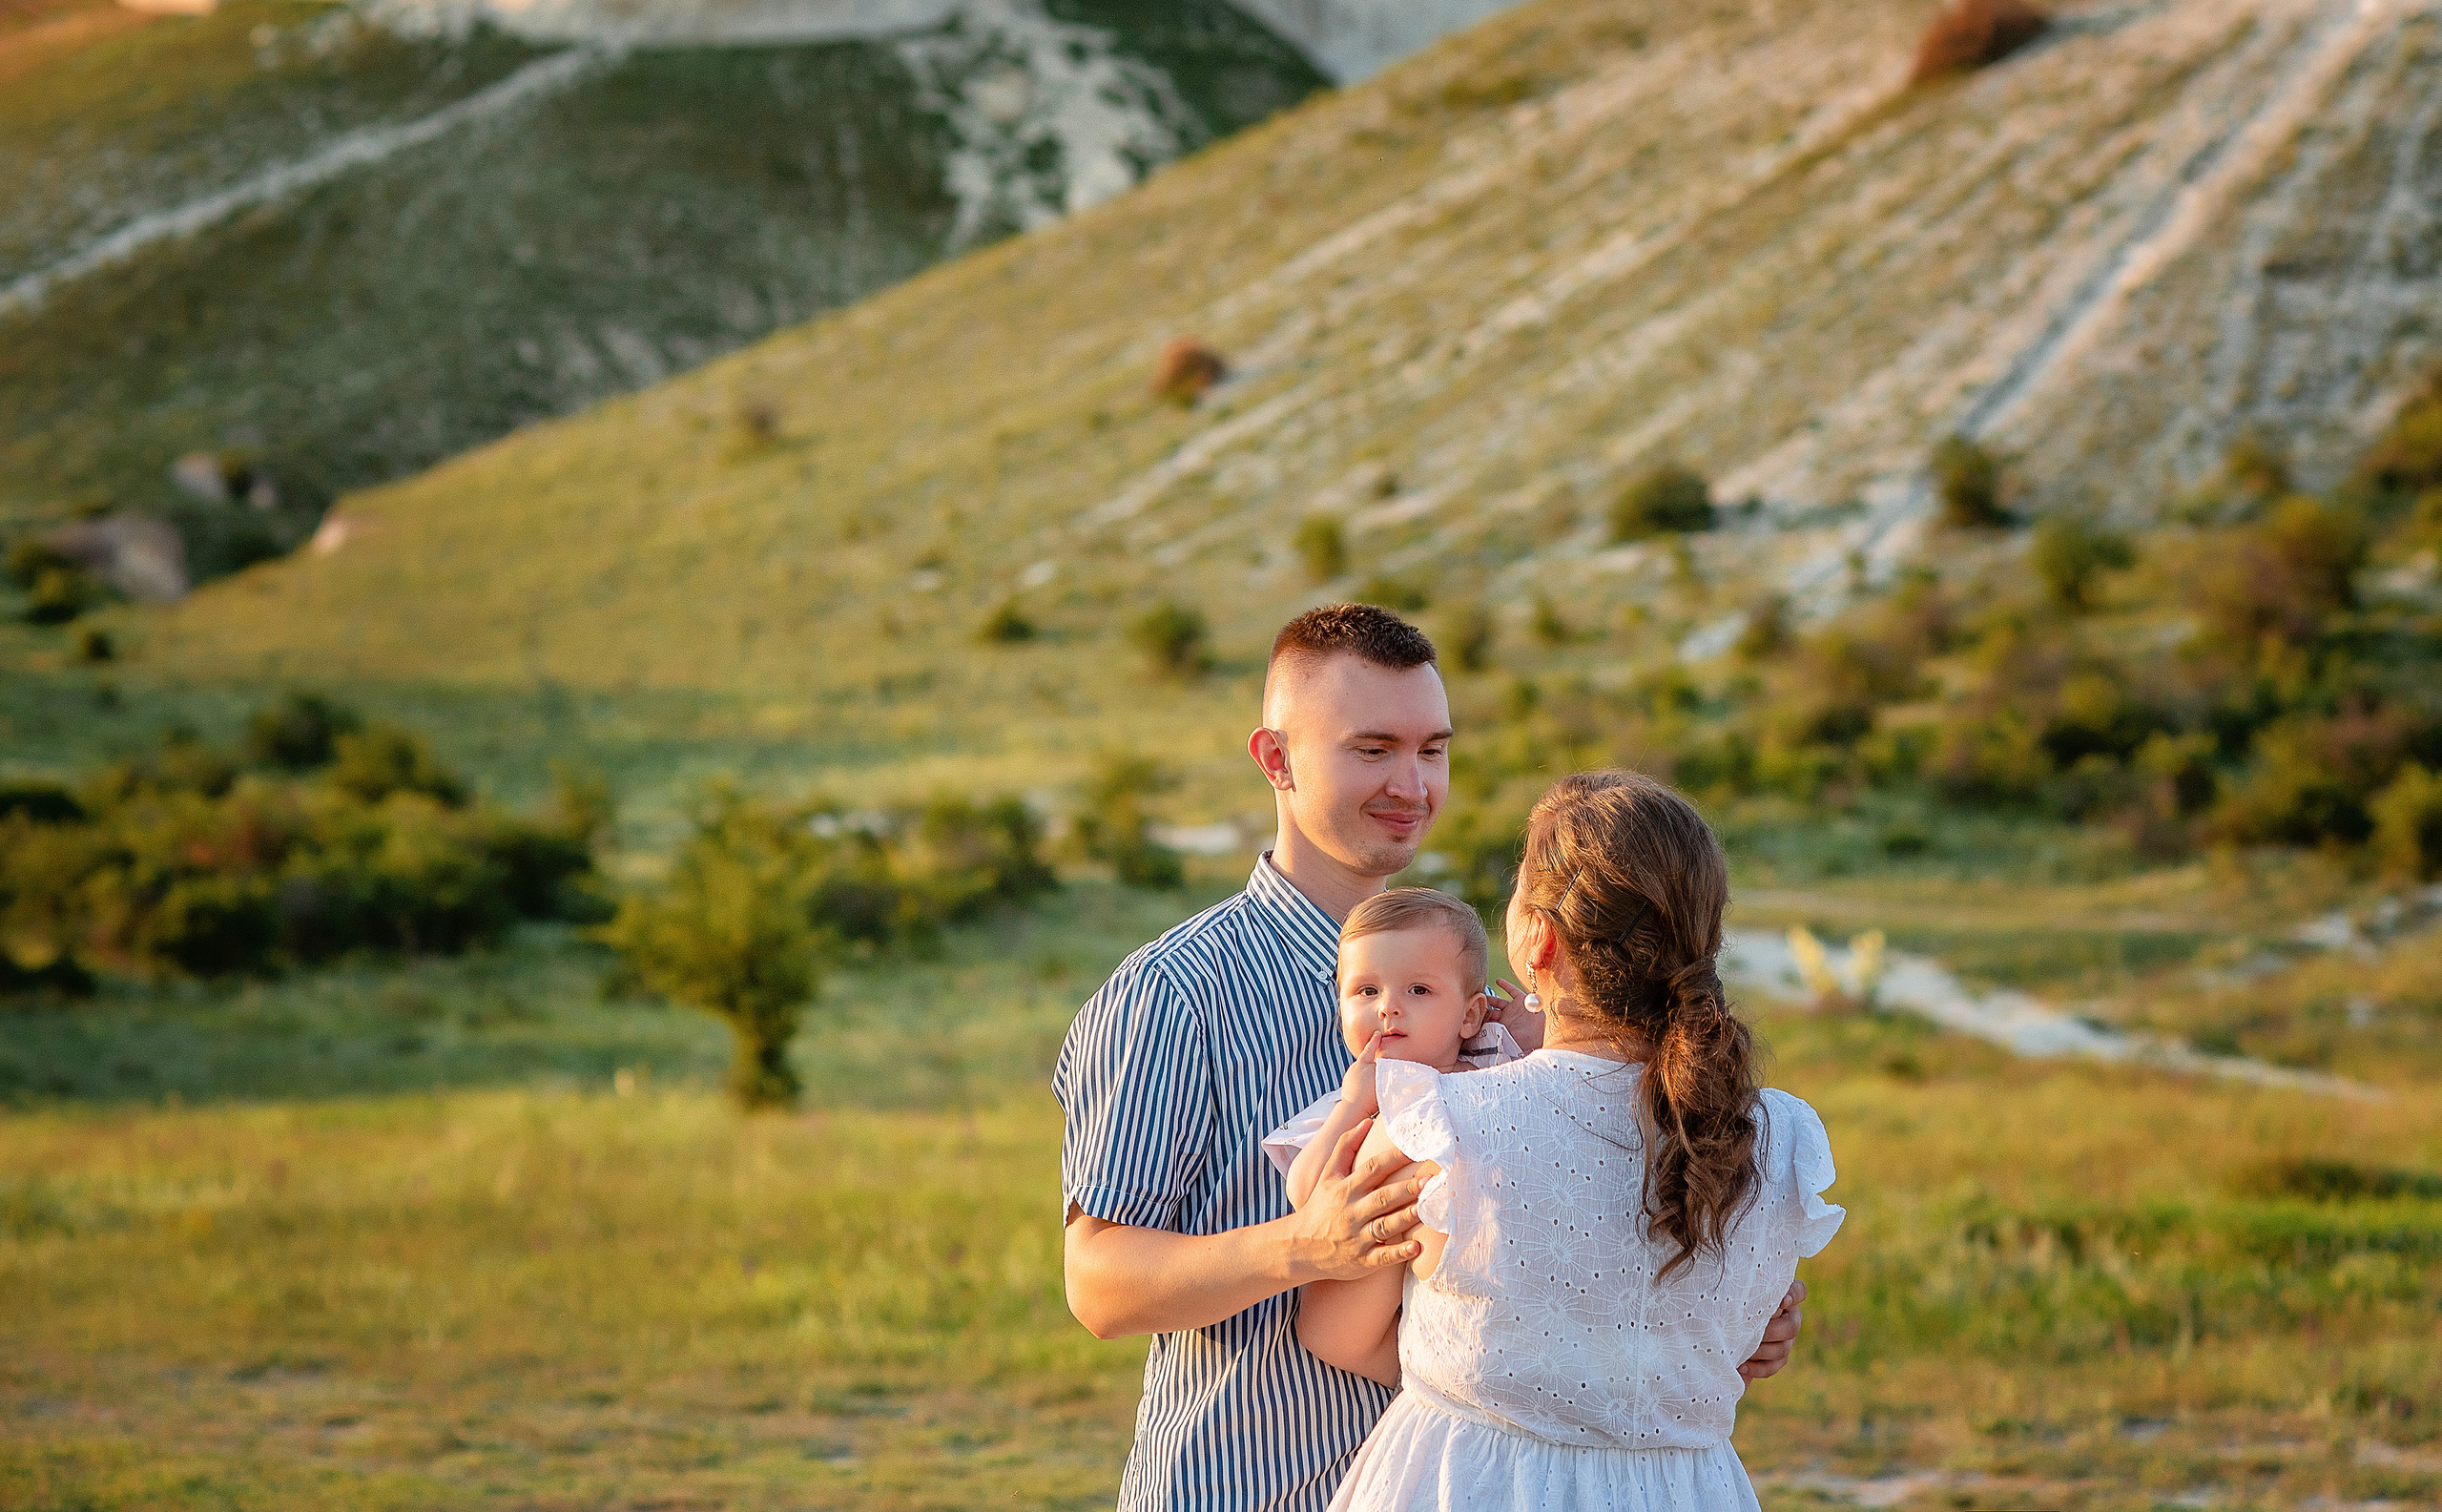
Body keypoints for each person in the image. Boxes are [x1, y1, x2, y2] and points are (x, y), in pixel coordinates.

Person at [1055, 605, 1803, 1512]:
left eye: (1433, 749)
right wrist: (1303, 1244)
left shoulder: (1490, 991)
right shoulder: (1177, 993)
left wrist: (1710, 1320)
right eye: (1374, 749)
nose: (1411, 784)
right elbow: (1097, 1283)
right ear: (1276, 759)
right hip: (1245, 1486)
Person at [1294, 770, 1844, 1511]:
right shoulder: (1779, 1138)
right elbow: (1734, 1344)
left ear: (1538, 939)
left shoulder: (1438, 1123)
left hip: (1471, 1485)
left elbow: (1335, 1331)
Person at [1267, 888, 1523, 1206]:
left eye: (1418, 990)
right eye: (1368, 991)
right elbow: (1303, 1194)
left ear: (1469, 1016)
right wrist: (1353, 1107)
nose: (1387, 1007)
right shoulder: (1358, 1101)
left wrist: (1537, 1028)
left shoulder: (1496, 1066)